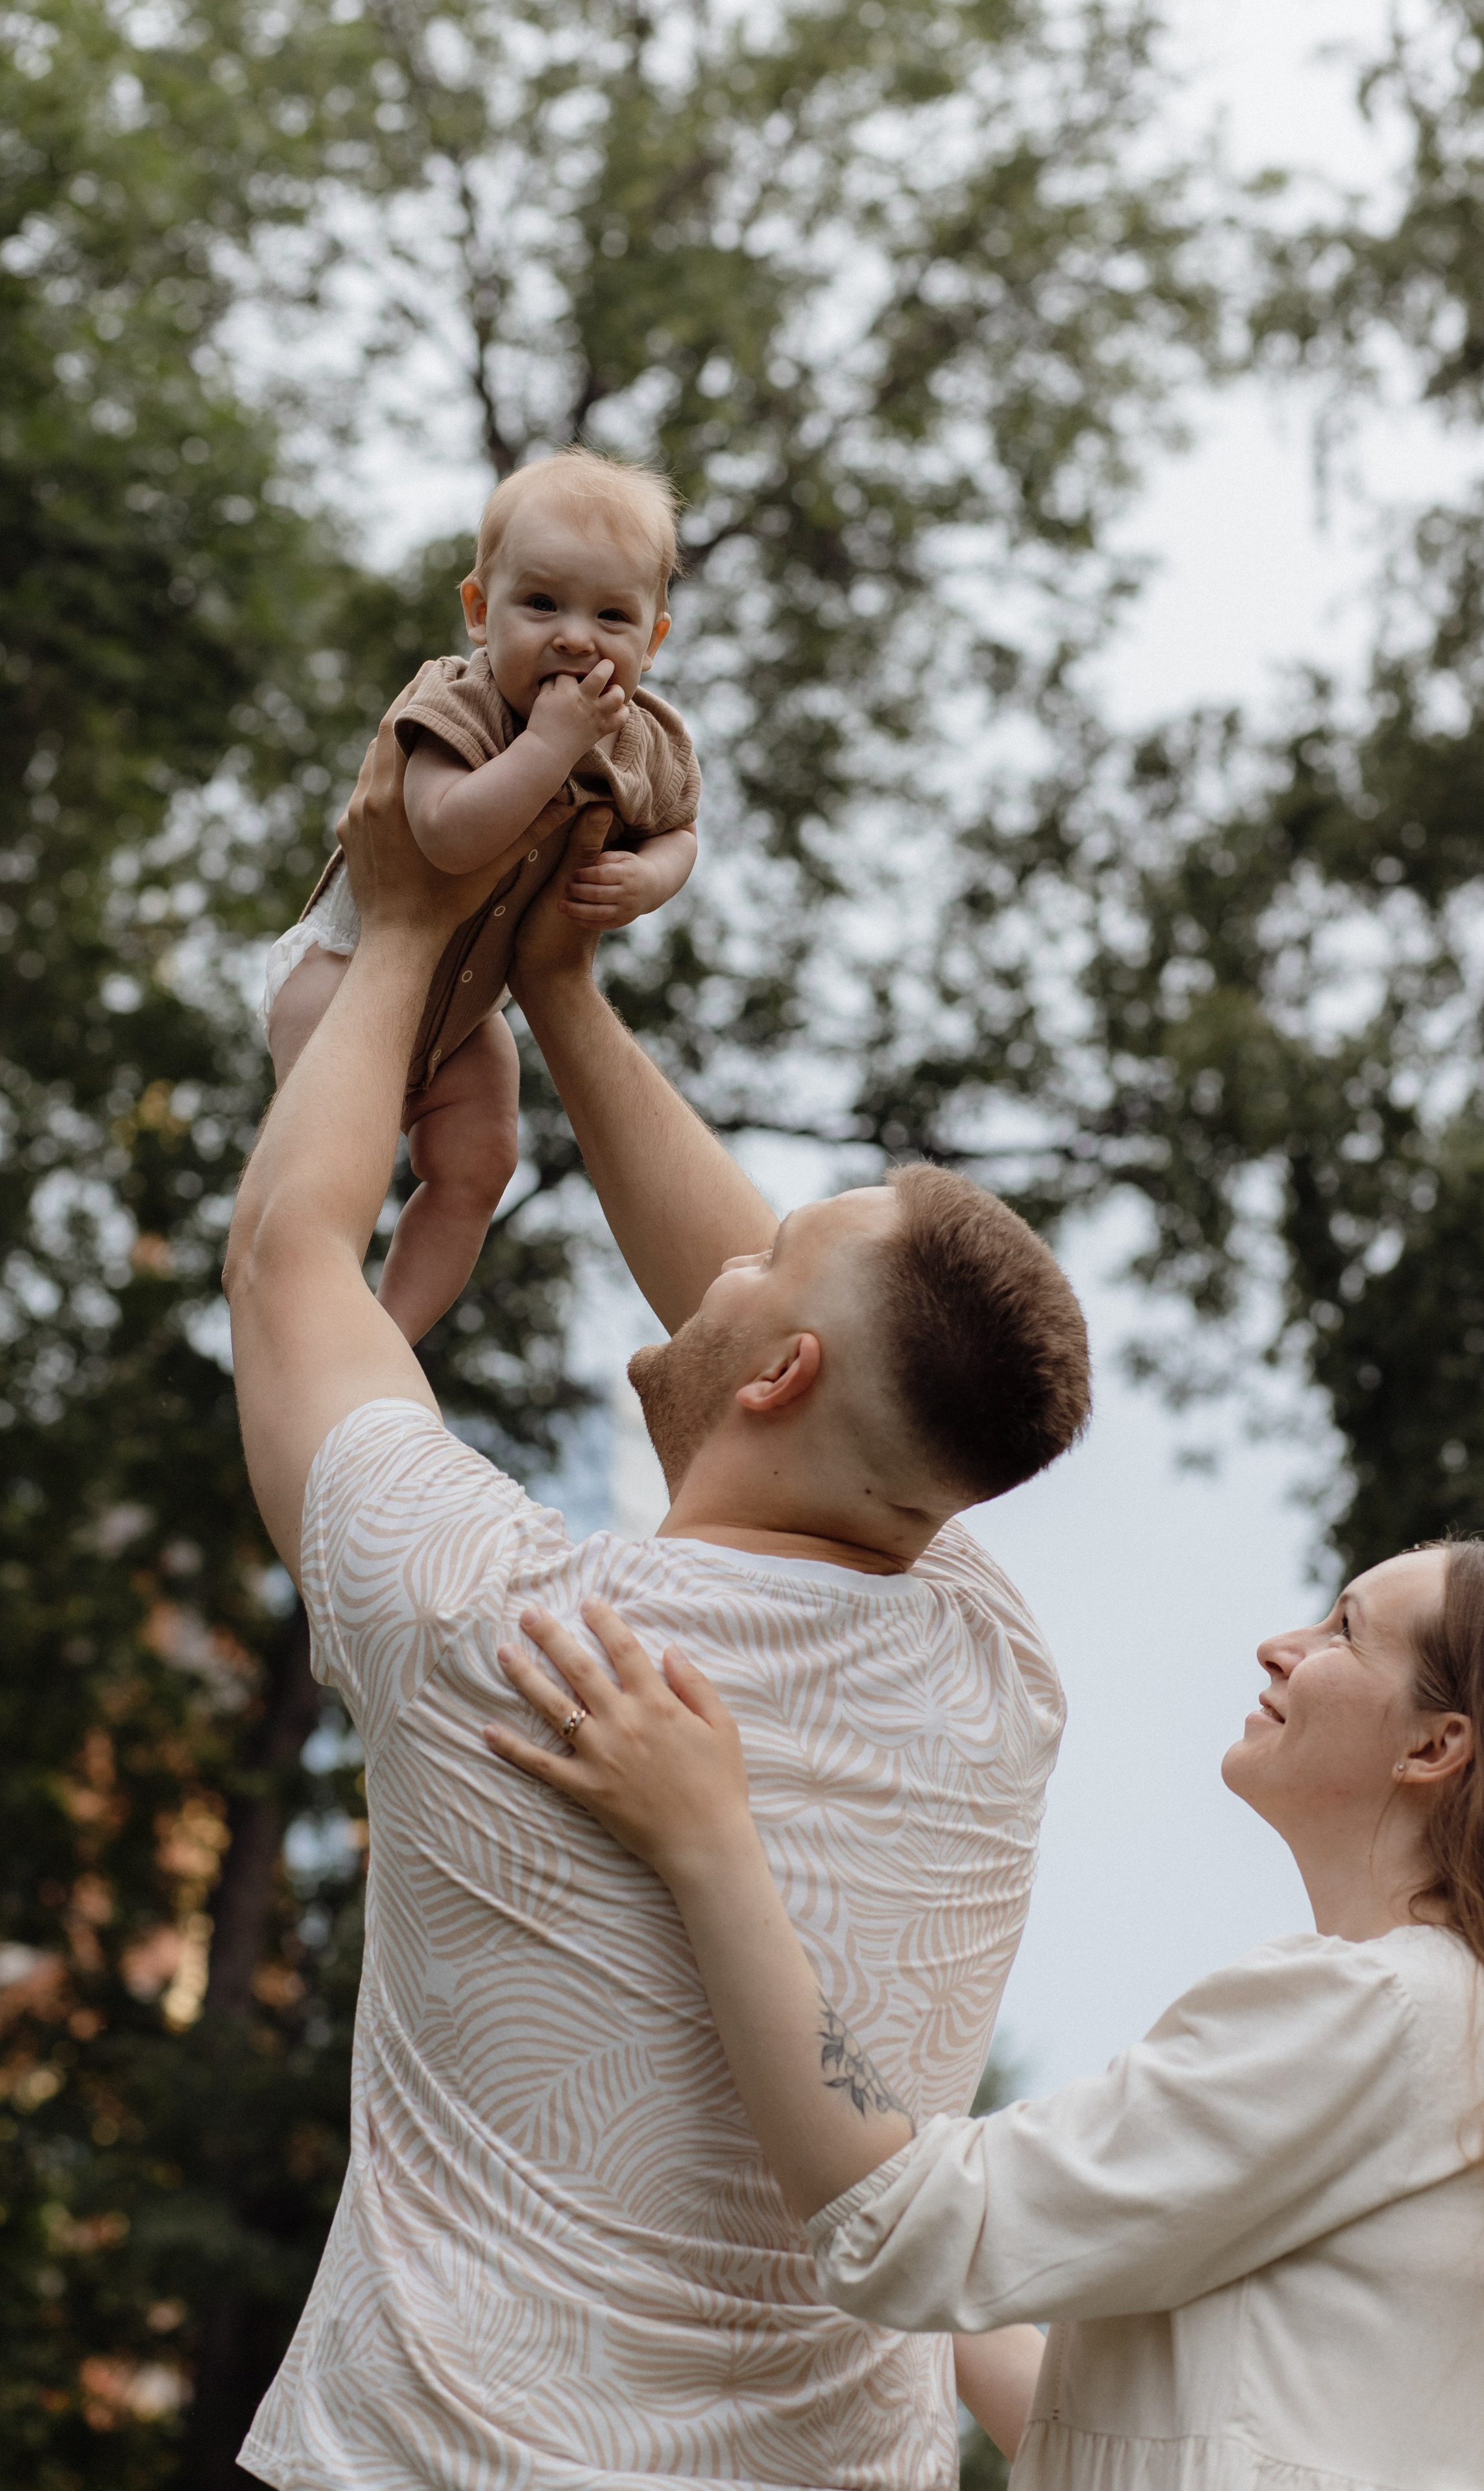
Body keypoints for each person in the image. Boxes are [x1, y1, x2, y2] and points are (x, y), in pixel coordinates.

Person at [221, 693, 1091, 2490]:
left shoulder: (506, 1629)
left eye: (767, 1260)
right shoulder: (992, 1680)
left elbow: (291, 1253)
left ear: (775, 1381)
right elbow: (853, 1368)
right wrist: (560, 985)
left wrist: (399, 918)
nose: (731, 1251)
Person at [487, 1539, 1484, 2487]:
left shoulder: (1382, 2011)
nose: (1282, 1645)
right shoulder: (1440, 2026)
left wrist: (706, 1839)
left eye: (1344, 1630)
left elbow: (903, 2228)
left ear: (1435, 1744)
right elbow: (1130, 2429)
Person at [259, 447, 700, 1345]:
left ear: (653, 638)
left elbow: (679, 830)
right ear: (479, 610)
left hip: (468, 1016)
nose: (576, 637)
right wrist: (547, 748)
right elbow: (446, 833)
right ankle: (304, 1300)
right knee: (334, 1166)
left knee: (481, 1161)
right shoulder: (457, 702)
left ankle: (389, 1336)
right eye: (541, 604)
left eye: (612, 615)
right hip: (343, 975)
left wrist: (647, 880)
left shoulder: (648, 742)